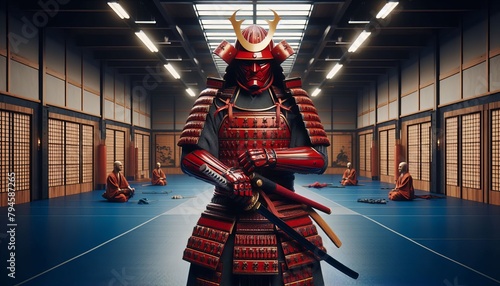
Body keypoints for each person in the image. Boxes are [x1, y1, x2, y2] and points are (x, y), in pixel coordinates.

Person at [177, 10, 331, 286]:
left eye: (260, 64)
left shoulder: (295, 100)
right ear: (234, 61)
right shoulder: (212, 98)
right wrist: (226, 175)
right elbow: (190, 156)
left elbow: (318, 159)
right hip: (226, 212)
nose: (254, 71)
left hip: (285, 214)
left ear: (273, 62)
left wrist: (272, 156)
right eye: (247, 65)